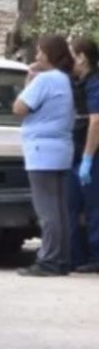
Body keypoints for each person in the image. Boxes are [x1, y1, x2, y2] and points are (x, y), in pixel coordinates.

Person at [13, 35, 76, 277]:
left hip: (41, 152)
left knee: (47, 211)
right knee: (59, 209)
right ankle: (61, 258)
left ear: (49, 54)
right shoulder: (63, 79)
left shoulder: (44, 80)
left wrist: (29, 80)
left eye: (40, 52)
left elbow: (19, 108)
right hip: (61, 149)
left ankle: (48, 260)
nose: (37, 57)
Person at [69, 36, 99, 272]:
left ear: (82, 58)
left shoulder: (94, 83)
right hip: (80, 153)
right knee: (78, 208)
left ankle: (95, 257)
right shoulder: (79, 82)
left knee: (94, 208)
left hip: (92, 155)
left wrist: (88, 158)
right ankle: (79, 255)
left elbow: (96, 122)